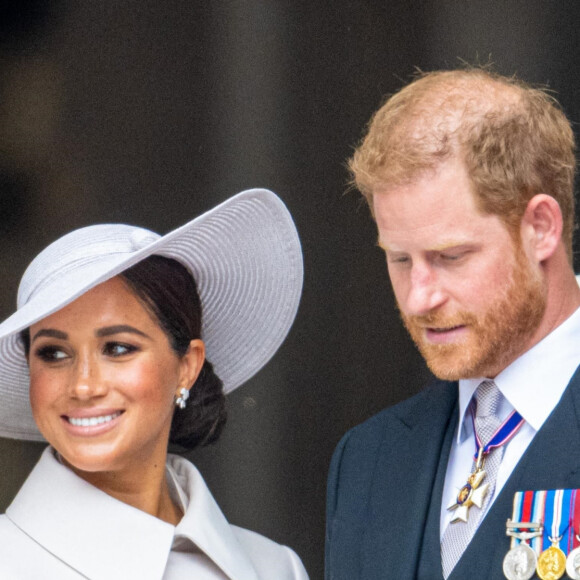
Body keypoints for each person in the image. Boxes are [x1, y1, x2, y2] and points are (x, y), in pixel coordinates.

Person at [325, 68, 580, 579]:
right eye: (399, 259)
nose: (419, 298)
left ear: (541, 228)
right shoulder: (367, 460)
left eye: (451, 256)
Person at [0, 188, 309, 579]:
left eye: (116, 348)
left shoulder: (274, 568)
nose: (83, 386)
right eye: (54, 354)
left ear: (187, 365)